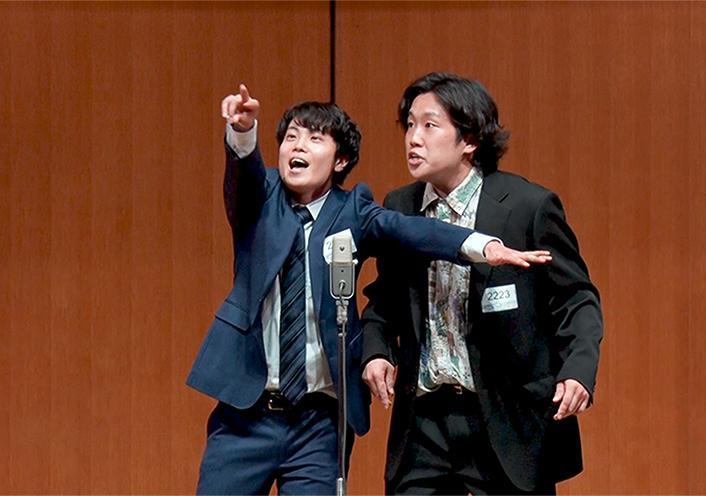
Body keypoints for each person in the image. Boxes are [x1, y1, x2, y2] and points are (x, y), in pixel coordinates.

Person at [186, 84, 550, 495]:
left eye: (314, 138)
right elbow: (243, 174)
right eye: (290, 137)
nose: (297, 146)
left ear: (340, 159)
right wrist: (242, 131)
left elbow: (411, 230)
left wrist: (482, 246)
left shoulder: (352, 209)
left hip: (318, 421)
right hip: (245, 413)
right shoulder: (260, 197)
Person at [362, 72, 603, 495]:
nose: (413, 139)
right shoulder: (400, 206)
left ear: (469, 140)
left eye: (430, 125)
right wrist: (377, 350)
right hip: (424, 422)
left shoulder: (528, 206)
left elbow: (576, 299)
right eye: (410, 125)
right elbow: (385, 298)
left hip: (504, 417)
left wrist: (578, 371)